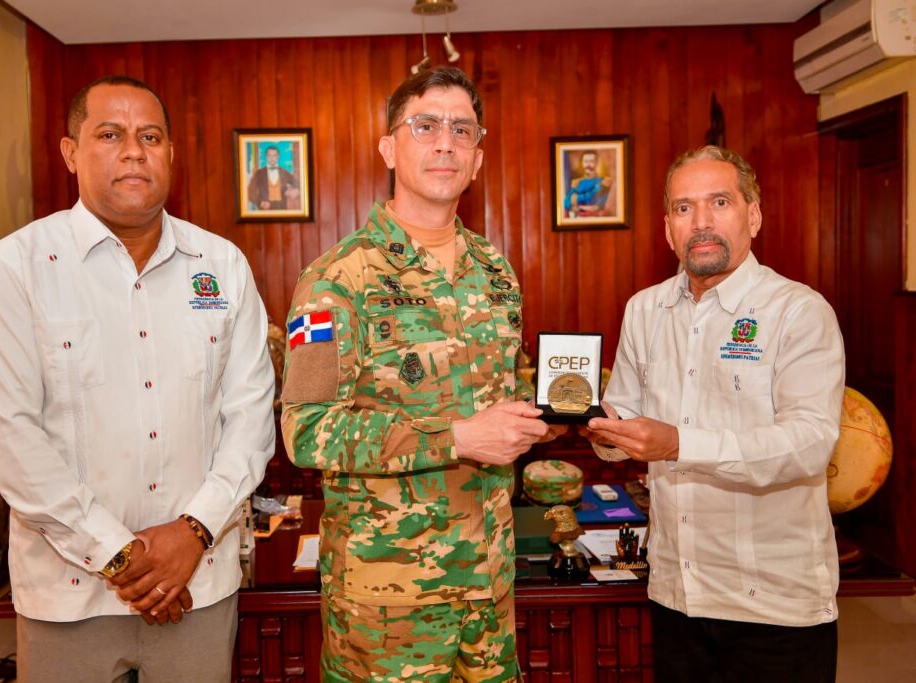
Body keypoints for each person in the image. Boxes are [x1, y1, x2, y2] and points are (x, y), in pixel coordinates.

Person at [0, 75, 275, 681]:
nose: (134, 150)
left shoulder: (222, 267)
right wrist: (122, 556)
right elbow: (10, 438)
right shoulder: (19, 266)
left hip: (199, 582)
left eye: (150, 136)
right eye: (110, 134)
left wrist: (191, 533)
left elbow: (250, 417)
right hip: (67, 595)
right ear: (70, 153)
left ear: (170, 155)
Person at [281, 66, 561, 682]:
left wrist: (564, 416)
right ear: (389, 147)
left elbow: (511, 394)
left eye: (463, 130)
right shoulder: (332, 280)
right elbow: (306, 431)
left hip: (489, 584)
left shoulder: (496, 272)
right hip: (387, 604)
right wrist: (456, 438)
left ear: (478, 159)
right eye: (425, 125)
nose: (445, 143)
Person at [581, 145, 843, 683]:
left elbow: (809, 443)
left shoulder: (799, 311)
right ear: (667, 229)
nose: (700, 222)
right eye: (683, 208)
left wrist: (679, 443)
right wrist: (594, 426)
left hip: (774, 607)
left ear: (754, 215)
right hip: (678, 593)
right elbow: (625, 412)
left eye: (719, 202)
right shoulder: (644, 310)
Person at [247, 145, 300, 210]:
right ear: (266, 157)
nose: (272, 158)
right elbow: (249, 191)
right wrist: (260, 203)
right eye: (269, 155)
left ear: (278, 157)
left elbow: (299, 184)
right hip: (265, 210)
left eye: (274, 155)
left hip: (282, 208)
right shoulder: (259, 173)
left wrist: (297, 190)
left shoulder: (284, 172)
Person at [564, 150, 611, 216]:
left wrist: (578, 202)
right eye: (585, 161)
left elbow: (598, 206)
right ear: (582, 163)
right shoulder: (576, 182)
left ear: (596, 163)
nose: (588, 165)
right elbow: (567, 203)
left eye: (591, 161)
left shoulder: (604, 181)